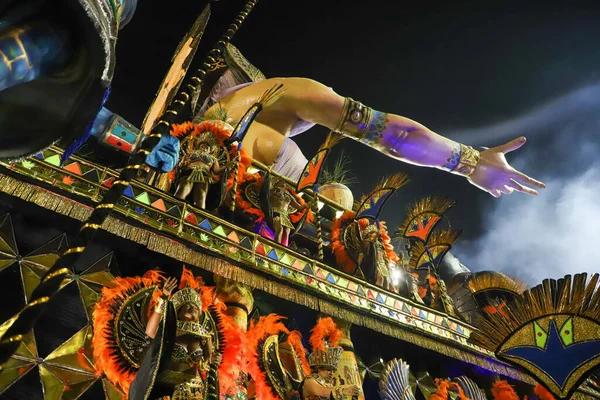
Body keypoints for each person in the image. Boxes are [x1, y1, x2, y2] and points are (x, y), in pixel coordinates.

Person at [194, 45, 545, 199]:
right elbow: (395, 135)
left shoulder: (231, 119)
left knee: (336, 194)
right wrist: (468, 162)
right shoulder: (289, 92)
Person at [129, 275, 222, 400]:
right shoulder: (168, 331)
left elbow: (208, 363)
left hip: (193, 390)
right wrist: (164, 297)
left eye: (195, 308)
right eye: (187, 306)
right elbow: (150, 332)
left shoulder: (204, 337)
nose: (192, 309)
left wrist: (215, 360)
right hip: (166, 387)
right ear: (178, 312)